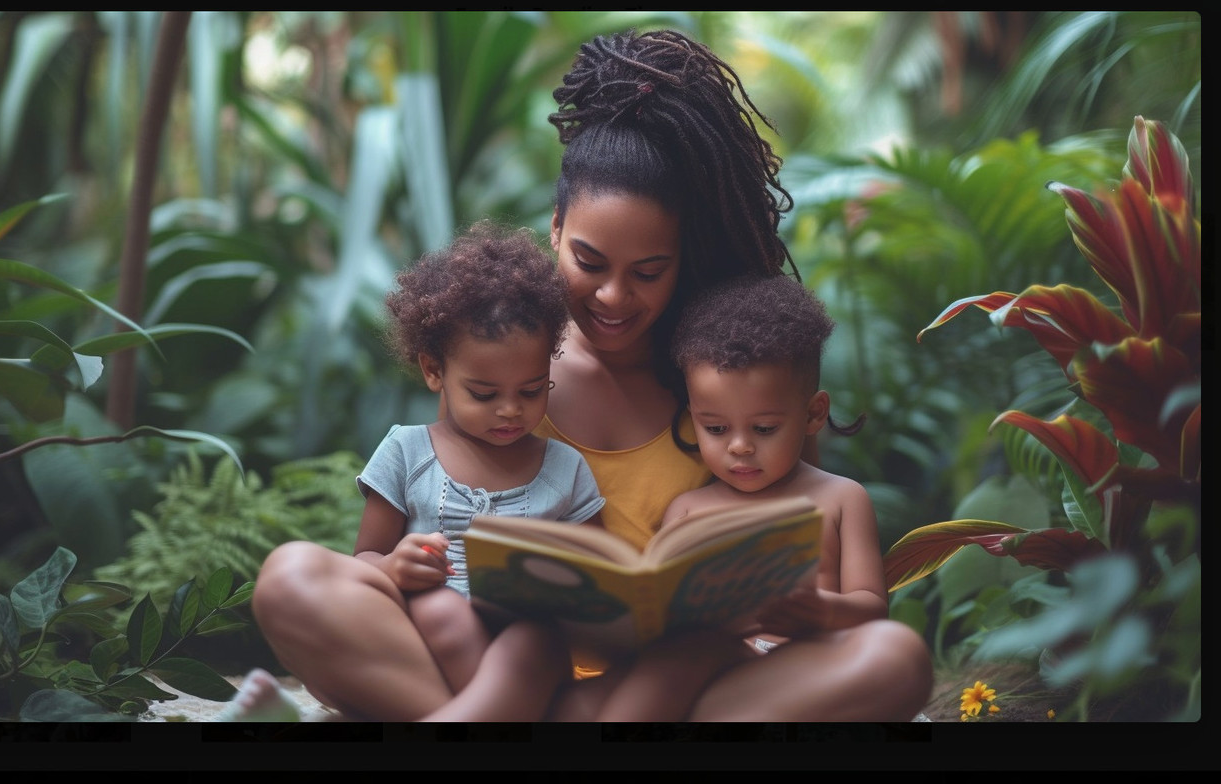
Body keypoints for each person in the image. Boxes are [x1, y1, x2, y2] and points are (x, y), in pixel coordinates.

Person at [249, 27, 931, 722]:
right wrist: (401, 574)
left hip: (661, 692)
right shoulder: (509, 365)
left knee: (893, 658)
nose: (613, 297)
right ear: (553, 228)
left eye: (648, 272)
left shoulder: (725, 381)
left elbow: (793, 558)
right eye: (590, 261)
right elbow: (400, 544)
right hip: (483, 669)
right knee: (290, 578)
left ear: (680, 258)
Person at [229, 220, 604, 722]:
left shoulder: (565, 470)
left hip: (525, 652)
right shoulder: (407, 452)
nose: (510, 410)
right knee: (330, 582)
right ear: (434, 371)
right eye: (485, 394)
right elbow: (365, 562)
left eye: (533, 390)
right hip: (416, 651)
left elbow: (603, 576)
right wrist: (392, 567)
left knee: (533, 643)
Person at [592, 272, 890, 720]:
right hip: (722, 678)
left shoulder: (841, 499)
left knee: (895, 651)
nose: (739, 446)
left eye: (764, 428)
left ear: (813, 414)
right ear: (692, 416)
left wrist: (823, 612)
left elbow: (872, 606)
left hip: (814, 671)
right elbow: (655, 607)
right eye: (714, 428)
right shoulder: (689, 510)